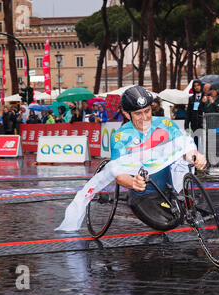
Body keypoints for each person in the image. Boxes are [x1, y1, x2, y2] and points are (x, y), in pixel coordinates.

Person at [56, 85, 206, 232]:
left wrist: (195, 156)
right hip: (143, 195)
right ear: (127, 114)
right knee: (170, 223)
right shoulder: (121, 137)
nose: (145, 117)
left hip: (168, 189)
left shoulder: (165, 123)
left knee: (187, 214)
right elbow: (118, 173)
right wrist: (132, 182)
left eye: (147, 111)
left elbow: (184, 145)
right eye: (138, 114)